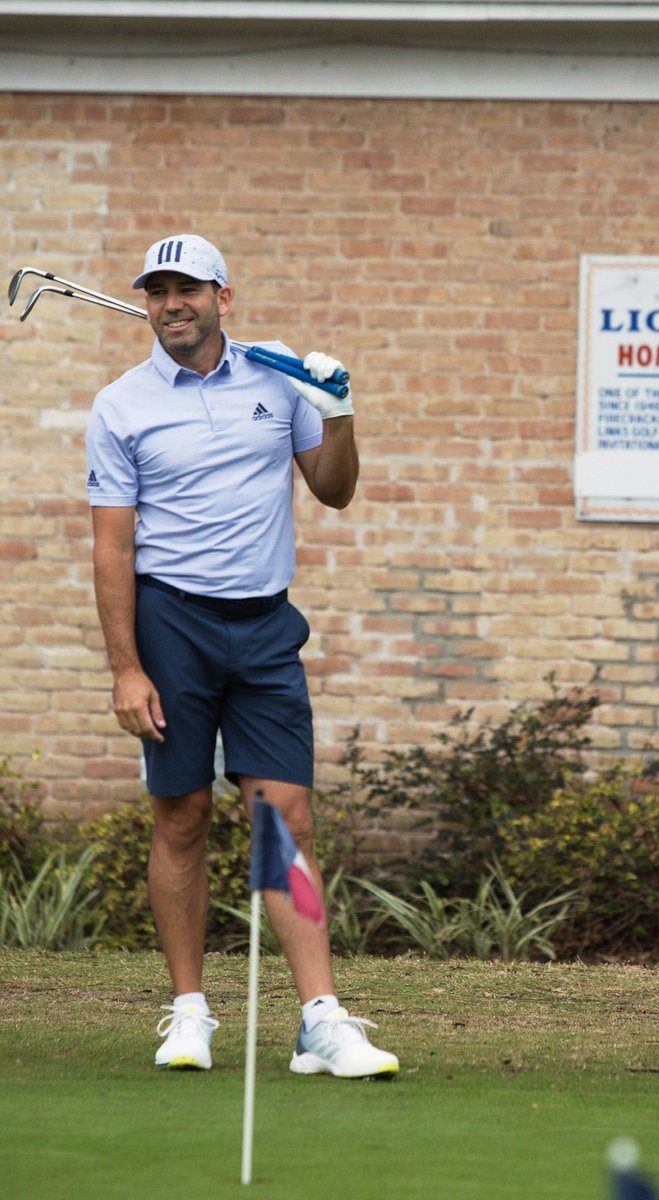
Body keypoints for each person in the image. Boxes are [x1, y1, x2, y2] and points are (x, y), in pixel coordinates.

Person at [86, 234, 398, 1080]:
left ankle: (321, 1022)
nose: (171, 303)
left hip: (265, 626)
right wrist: (125, 666)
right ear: (147, 305)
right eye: (158, 291)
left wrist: (335, 407)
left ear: (225, 298)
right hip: (171, 625)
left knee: (285, 816)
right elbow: (113, 548)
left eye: (188, 289)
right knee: (181, 814)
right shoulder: (120, 404)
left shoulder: (279, 382)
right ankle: (190, 1013)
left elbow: (333, 489)